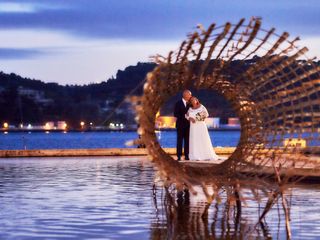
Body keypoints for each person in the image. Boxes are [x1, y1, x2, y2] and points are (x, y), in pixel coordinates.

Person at [174, 90, 192, 161]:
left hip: (188, 125)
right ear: (185, 95)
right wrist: (185, 116)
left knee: (187, 141)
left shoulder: (190, 104)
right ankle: (179, 156)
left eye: (190, 95)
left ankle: (187, 155)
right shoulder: (178, 103)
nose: (190, 96)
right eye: (189, 95)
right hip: (180, 125)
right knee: (179, 141)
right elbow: (175, 114)